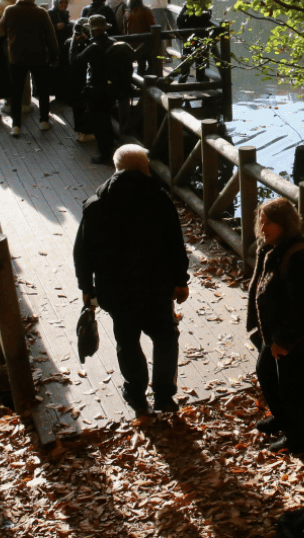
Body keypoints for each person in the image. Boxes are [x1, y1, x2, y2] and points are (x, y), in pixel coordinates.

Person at [73, 145, 189, 414]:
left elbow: (82, 252)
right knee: (165, 337)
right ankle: (164, 396)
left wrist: (87, 288)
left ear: (116, 168)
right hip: (156, 288)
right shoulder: (160, 200)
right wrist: (180, 280)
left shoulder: (96, 205)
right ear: (144, 168)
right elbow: (175, 245)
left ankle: (136, 393)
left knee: (127, 341)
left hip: (115, 290)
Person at [247, 197, 304, 454]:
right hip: (275, 332)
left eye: (268, 223)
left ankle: (299, 441)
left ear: (284, 224)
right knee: (266, 371)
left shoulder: (299, 258)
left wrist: (283, 341)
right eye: (260, 222)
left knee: (293, 388)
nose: (262, 228)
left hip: (297, 337)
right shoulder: (272, 249)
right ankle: (283, 419)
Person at [0, 0, 59, 137]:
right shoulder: (41, 12)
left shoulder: (10, 10)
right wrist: (54, 55)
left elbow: (1, 29)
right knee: (43, 90)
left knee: (16, 91)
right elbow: (51, 36)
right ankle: (44, 121)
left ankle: (16, 125)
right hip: (39, 56)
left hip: (16, 57)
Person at [73, 14, 136, 163]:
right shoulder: (111, 42)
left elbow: (75, 61)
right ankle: (109, 149)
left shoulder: (94, 47)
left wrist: (73, 43)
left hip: (96, 88)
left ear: (93, 30)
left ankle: (105, 155)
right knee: (106, 119)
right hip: (111, 88)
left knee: (99, 123)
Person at [63, 17, 95, 143]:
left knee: (77, 108)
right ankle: (87, 132)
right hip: (85, 79)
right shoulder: (89, 45)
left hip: (72, 80)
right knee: (86, 107)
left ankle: (80, 132)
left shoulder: (68, 43)